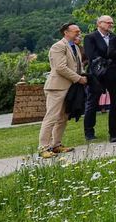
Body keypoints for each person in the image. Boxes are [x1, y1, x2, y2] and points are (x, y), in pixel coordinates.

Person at [39, 22, 88, 158]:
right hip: (57, 87)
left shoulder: (76, 47)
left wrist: (84, 76)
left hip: (70, 88)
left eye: (79, 31)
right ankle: (43, 148)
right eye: (76, 31)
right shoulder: (58, 46)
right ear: (66, 32)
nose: (79, 33)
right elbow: (60, 67)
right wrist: (78, 78)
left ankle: (56, 145)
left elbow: (78, 66)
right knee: (51, 117)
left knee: (63, 118)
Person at [82, 15, 115, 141]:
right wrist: (108, 59)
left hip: (111, 73)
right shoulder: (91, 37)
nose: (110, 25)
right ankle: (89, 132)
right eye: (108, 22)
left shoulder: (113, 37)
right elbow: (92, 55)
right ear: (99, 23)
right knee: (92, 103)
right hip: (96, 74)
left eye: (112, 23)